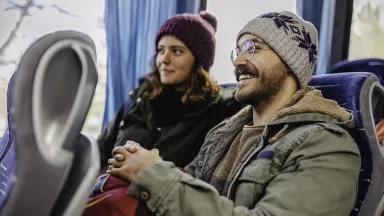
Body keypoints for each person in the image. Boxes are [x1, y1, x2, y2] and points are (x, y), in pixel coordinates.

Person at [107, 11, 361, 215]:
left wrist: (153, 175)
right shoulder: (224, 133)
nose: (237, 62)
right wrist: (141, 166)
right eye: (237, 51)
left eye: (253, 47)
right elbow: (188, 183)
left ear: (290, 62)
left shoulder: (326, 145)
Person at [98, 11, 242, 169]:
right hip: (102, 190)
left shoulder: (216, 113)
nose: (164, 59)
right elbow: (100, 153)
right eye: (161, 50)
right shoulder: (138, 99)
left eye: (177, 51)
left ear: (199, 62)